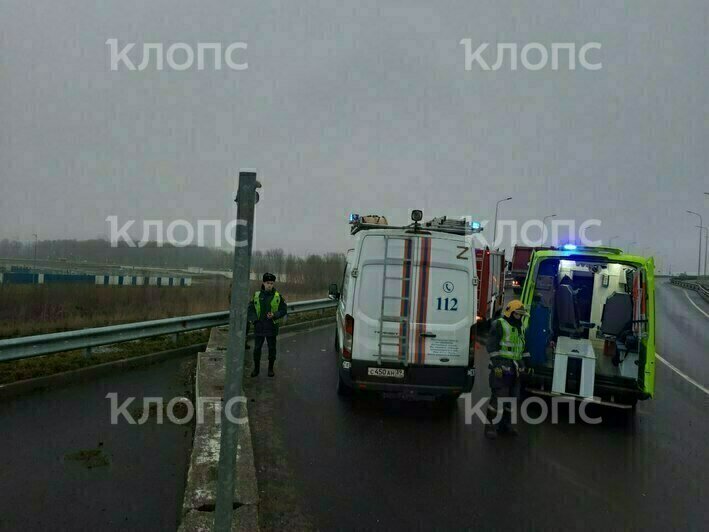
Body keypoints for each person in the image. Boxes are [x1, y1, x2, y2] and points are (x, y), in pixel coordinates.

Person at [484, 299, 530, 439]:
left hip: (516, 369)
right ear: (510, 312)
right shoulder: (499, 324)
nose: (520, 317)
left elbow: (523, 348)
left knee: (512, 399)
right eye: (518, 314)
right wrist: (497, 365)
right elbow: (491, 347)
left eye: (521, 315)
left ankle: (506, 426)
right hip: (502, 367)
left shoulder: (520, 327)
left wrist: (527, 365)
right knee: (499, 398)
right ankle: (490, 426)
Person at [247, 272, 288, 377]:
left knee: (272, 349)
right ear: (263, 283)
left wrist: (274, 315)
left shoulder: (278, 296)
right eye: (268, 283)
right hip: (259, 327)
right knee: (257, 349)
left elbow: (283, 310)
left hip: (271, 327)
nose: (270, 285)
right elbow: (250, 309)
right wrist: (254, 320)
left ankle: (270, 369)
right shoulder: (256, 295)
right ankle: (256, 369)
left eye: (272, 283)